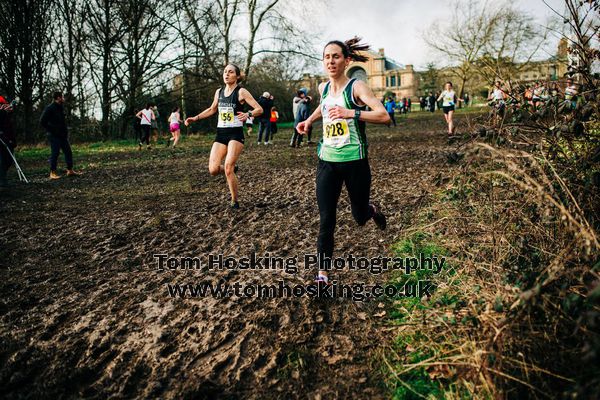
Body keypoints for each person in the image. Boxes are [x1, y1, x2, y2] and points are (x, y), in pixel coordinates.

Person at [296, 37, 389, 285]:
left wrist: (351, 112)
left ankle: (372, 210)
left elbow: (384, 115)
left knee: (359, 217)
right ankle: (322, 276)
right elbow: (323, 107)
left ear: (346, 60)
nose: (330, 61)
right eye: (327, 57)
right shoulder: (323, 88)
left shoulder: (356, 87)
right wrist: (309, 121)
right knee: (327, 218)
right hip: (327, 161)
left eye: (335, 56)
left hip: (355, 162)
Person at [185, 64, 263, 209]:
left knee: (228, 167)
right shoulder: (218, 92)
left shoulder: (241, 92)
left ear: (237, 76)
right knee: (213, 169)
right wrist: (195, 118)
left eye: (230, 72)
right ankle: (233, 169)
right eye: (225, 72)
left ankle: (234, 200)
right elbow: (212, 109)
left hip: (235, 133)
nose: (226, 74)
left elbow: (259, 109)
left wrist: (248, 114)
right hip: (221, 133)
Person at [40, 91, 82, 179]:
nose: (63, 99)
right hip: (54, 135)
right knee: (55, 153)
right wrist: (52, 129)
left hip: (62, 135)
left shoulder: (60, 108)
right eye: (62, 97)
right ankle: (52, 172)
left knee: (68, 152)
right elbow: (42, 121)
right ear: (58, 98)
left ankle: (70, 170)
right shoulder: (50, 108)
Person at [0, 96, 16, 187]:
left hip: (8, 139)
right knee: (3, 159)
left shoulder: (6, 114)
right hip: (2, 139)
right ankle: (2, 179)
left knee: (8, 160)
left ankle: (2, 176)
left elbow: (9, 126)